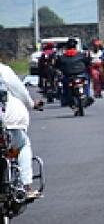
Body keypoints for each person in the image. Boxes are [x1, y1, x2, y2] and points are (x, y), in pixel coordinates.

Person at [0, 63, 43, 198]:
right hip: (9, 124)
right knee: (23, 145)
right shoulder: (3, 70)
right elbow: (20, 91)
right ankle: (26, 186)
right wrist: (31, 103)